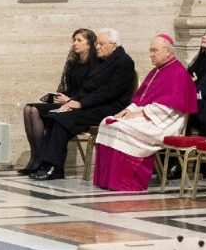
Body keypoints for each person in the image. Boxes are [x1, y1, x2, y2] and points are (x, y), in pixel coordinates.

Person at [93, 34, 198, 191]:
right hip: (149, 117)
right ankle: (107, 180)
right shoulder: (156, 71)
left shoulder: (178, 73)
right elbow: (140, 99)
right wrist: (126, 111)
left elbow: (169, 108)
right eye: (150, 50)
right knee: (108, 123)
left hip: (165, 124)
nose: (151, 54)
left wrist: (137, 115)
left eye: (155, 50)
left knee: (121, 128)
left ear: (168, 51)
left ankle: (126, 182)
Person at [28, 28, 136, 181]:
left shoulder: (124, 62)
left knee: (62, 119)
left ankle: (55, 167)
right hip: (95, 105)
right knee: (54, 115)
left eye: (101, 44)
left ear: (113, 44)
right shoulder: (104, 61)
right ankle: (47, 164)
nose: (97, 47)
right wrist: (72, 101)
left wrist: (81, 104)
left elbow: (109, 92)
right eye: (97, 43)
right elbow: (88, 87)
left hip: (110, 108)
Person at [18, 29, 98, 174]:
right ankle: (36, 157)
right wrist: (59, 97)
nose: (75, 44)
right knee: (29, 109)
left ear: (89, 43)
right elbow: (67, 86)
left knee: (35, 110)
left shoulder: (96, 65)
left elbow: (91, 90)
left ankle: (41, 160)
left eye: (79, 40)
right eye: (74, 40)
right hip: (67, 101)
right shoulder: (73, 63)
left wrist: (70, 99)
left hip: (80, 105)